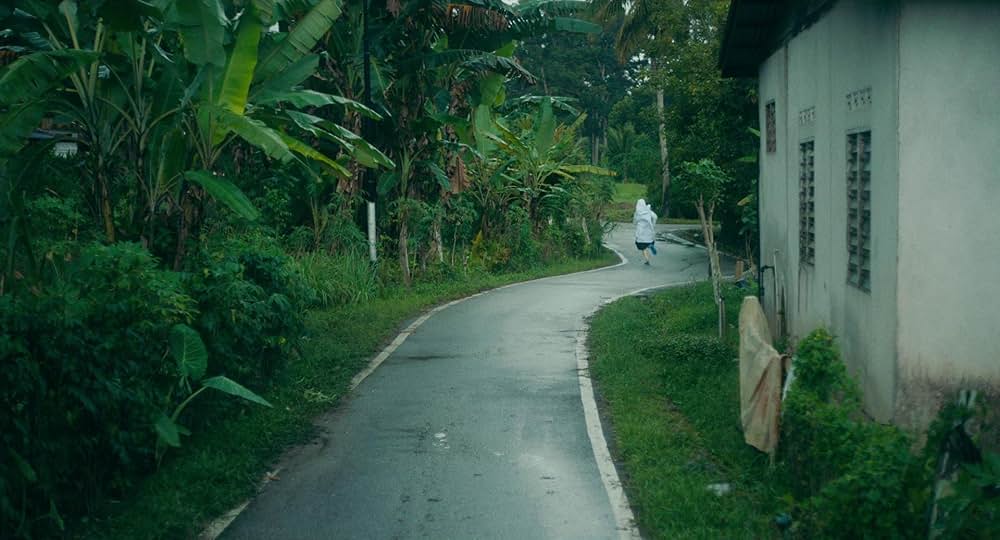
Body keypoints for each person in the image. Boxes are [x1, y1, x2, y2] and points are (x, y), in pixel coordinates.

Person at [633, 198, 658, 265]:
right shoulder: (648, 211)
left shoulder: (637, 213)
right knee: (649, 241)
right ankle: (650, 245)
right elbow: (655, 217)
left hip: (640, 232)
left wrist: (636, 223)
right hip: (648, 230)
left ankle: (647, 260)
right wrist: (653, 224)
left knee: (642, 247)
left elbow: (634, 222)